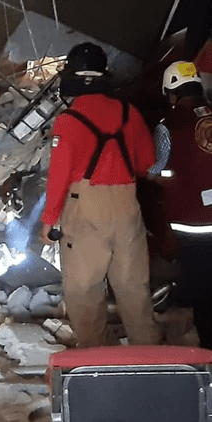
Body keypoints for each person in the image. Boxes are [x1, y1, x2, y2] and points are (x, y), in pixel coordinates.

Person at [39, 43, 161, 347]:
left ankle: (96, 361)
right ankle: (149, 358)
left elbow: (59, 177)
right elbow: (146, 163)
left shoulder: (68, 121)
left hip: (85, 208)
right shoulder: (129, 113)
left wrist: (49, 220)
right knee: (134, 287)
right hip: (126, 205)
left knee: (85, 290)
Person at [150, 61, 212, 348]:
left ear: (171, 94)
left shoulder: (168, 127)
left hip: (194, 222)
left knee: (203, 288)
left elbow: (157, 169)